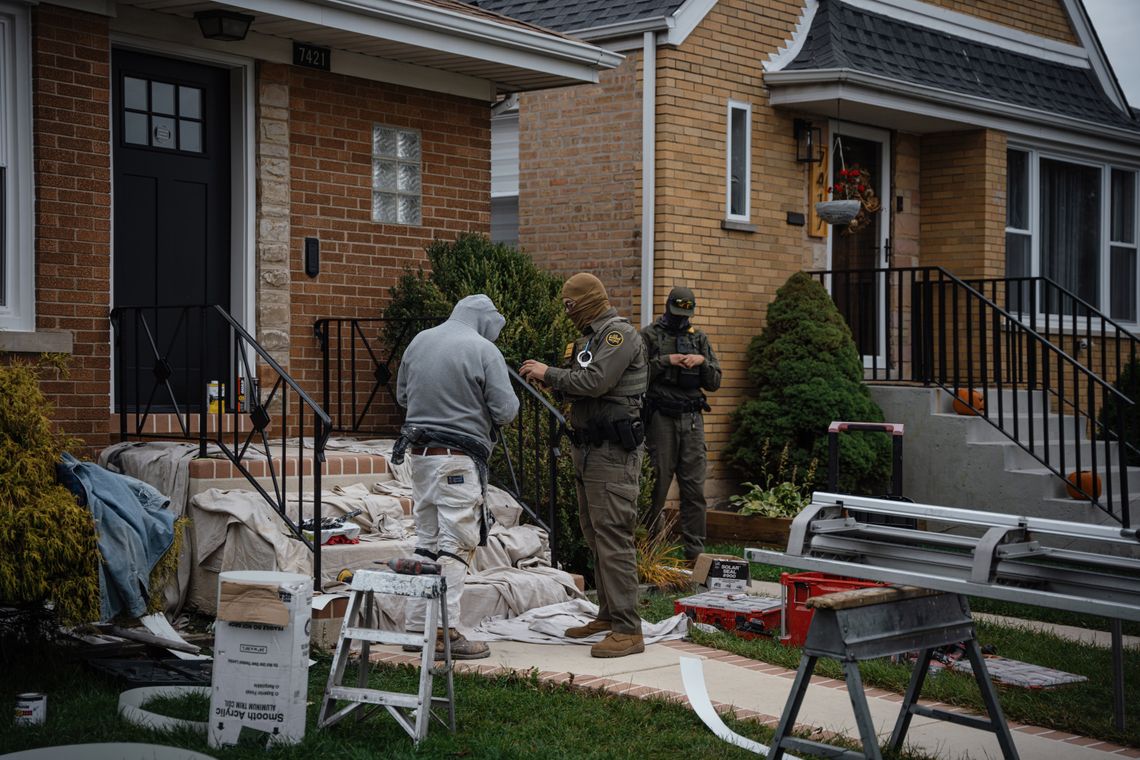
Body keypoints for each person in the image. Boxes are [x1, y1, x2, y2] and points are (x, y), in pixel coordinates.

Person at [519, 273, 648, 658]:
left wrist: (549, 373)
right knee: (595, 535)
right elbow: (578, 382)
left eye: (570, 305)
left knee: (613, 538)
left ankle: (629, 628)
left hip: (613, 453)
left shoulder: (617, 335)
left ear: (587, 302)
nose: (567, 312)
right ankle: (609, 615)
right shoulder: (588, 338)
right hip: (589, 450)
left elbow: (596, 380)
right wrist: (555, 383)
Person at [395, 294, 519, 659]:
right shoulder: (483, 350)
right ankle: (442, 633)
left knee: (426, 542)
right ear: (484, 321)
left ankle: (417, 628)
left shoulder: (420, 340)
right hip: (457, 462)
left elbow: (403, 396)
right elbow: (506, 409)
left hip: (418, 458)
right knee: (455, 545)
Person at [641, 285, 722, 562]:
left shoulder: (698, 338)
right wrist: (668, 360)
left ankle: (695, 555)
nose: (679, 319)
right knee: (656, 486)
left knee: (694, 490)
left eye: (684, 314)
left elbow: (715, 382)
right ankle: (650, 550)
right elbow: (638, 374)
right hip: (661, 418)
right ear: (667, 308)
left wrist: (701, 362)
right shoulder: (650, 335)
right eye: (675, 313)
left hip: (691, 420)